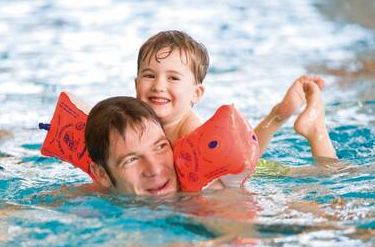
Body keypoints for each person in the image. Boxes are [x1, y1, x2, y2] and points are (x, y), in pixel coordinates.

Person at [134, 30, 337, 160]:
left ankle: (317, 130)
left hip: (243, 178)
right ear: (136, 85)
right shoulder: (136, 123)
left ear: (196, 94)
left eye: (173, 78)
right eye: (149, 75)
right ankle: (278, 115)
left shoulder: (191, 131)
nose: (158, 85)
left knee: (328, 176)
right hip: (243, 159)